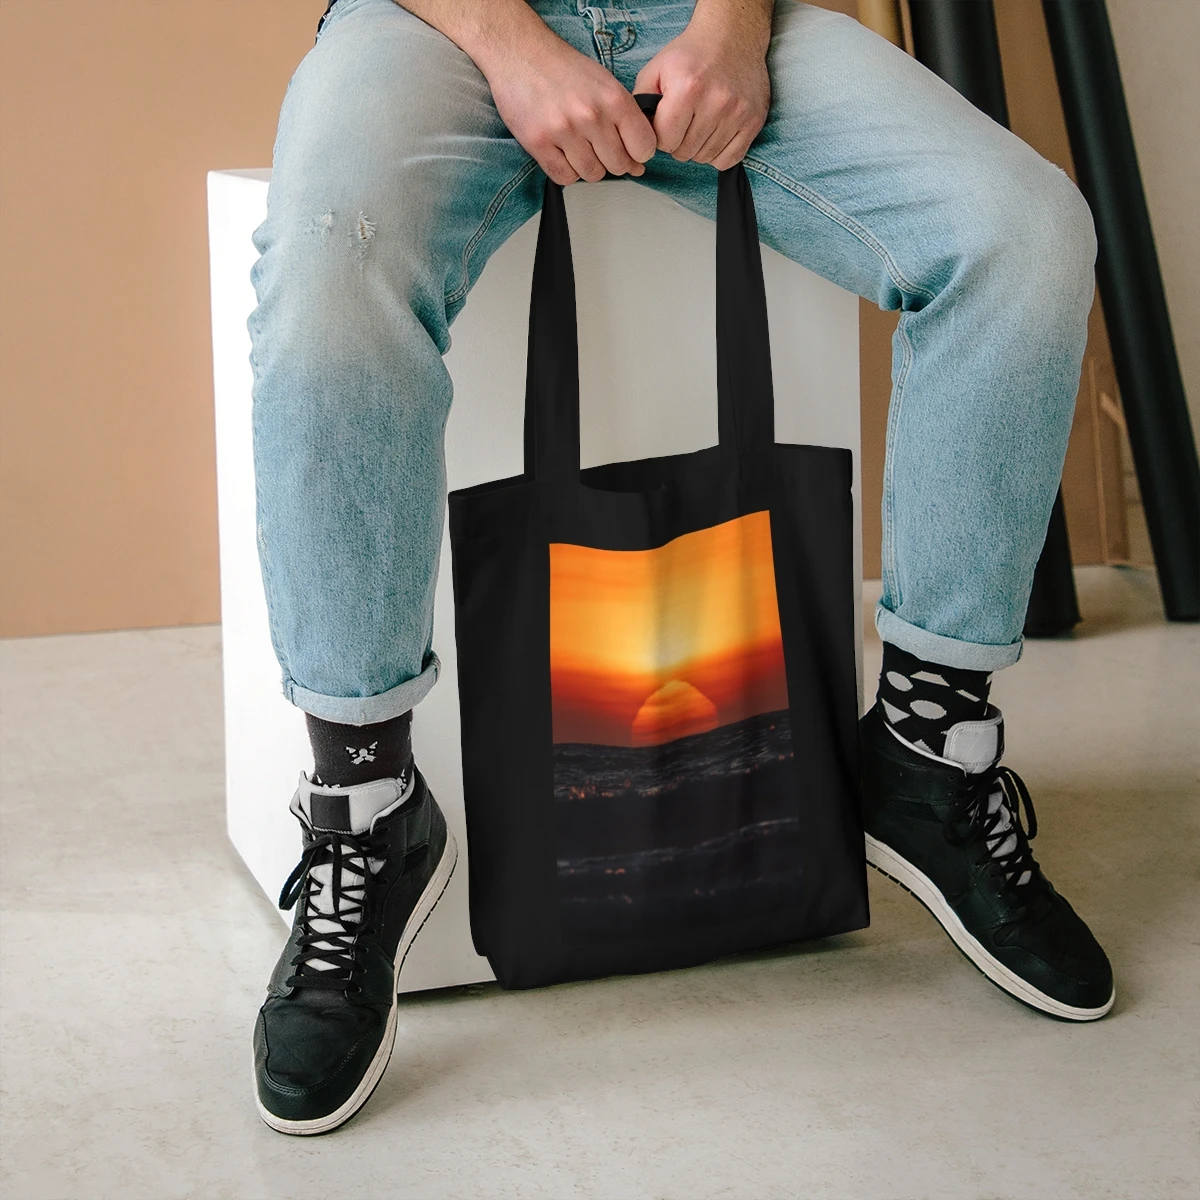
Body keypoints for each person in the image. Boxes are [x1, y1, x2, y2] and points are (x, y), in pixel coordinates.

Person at [247, 0, 1114, 1136]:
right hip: (440, 25)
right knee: (327, 279)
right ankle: (364, 812)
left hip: (698, 16)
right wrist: (513, 46)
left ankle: (928, 753)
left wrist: (735, 27)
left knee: (1025, 233)